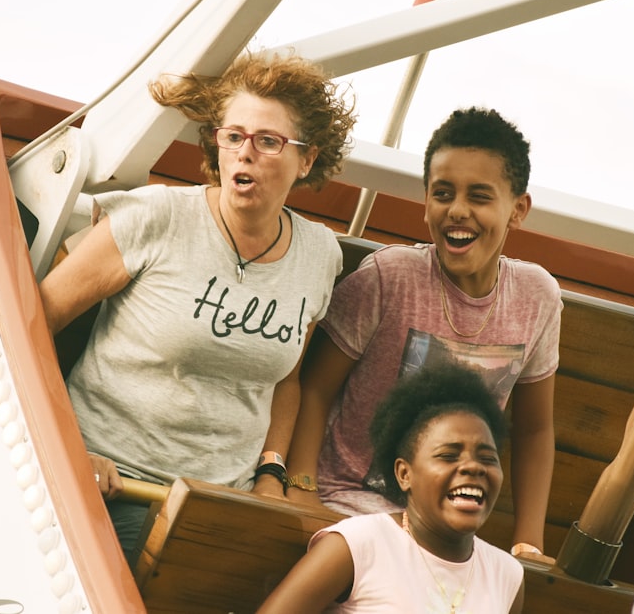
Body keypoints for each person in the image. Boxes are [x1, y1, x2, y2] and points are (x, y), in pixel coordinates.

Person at [39, 51, 357, 562]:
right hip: (109, 483)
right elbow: (31, 323)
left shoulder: (320, 255)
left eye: (268, 141)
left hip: (219, 507)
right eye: (233, 136)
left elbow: (287, 379)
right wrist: (66, 443)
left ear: (308, 159)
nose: (244, 153)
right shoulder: (158, 216)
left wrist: (271, 473)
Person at [285, 107, 561, 558]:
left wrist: (528, 542)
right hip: (350, 509)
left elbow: (534, 429)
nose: (458, 210)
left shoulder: (537, 298)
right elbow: (314, 388)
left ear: (518, 209)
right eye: (443, 193)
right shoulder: (389, 277)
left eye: (480, 196)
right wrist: (302, 492)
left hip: (446, 531)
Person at [260, 364, 525, 613]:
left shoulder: (508, 575)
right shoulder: (357, 545)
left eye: (488, 459)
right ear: (404, 474)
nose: (473, 468)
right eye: (449, 455)